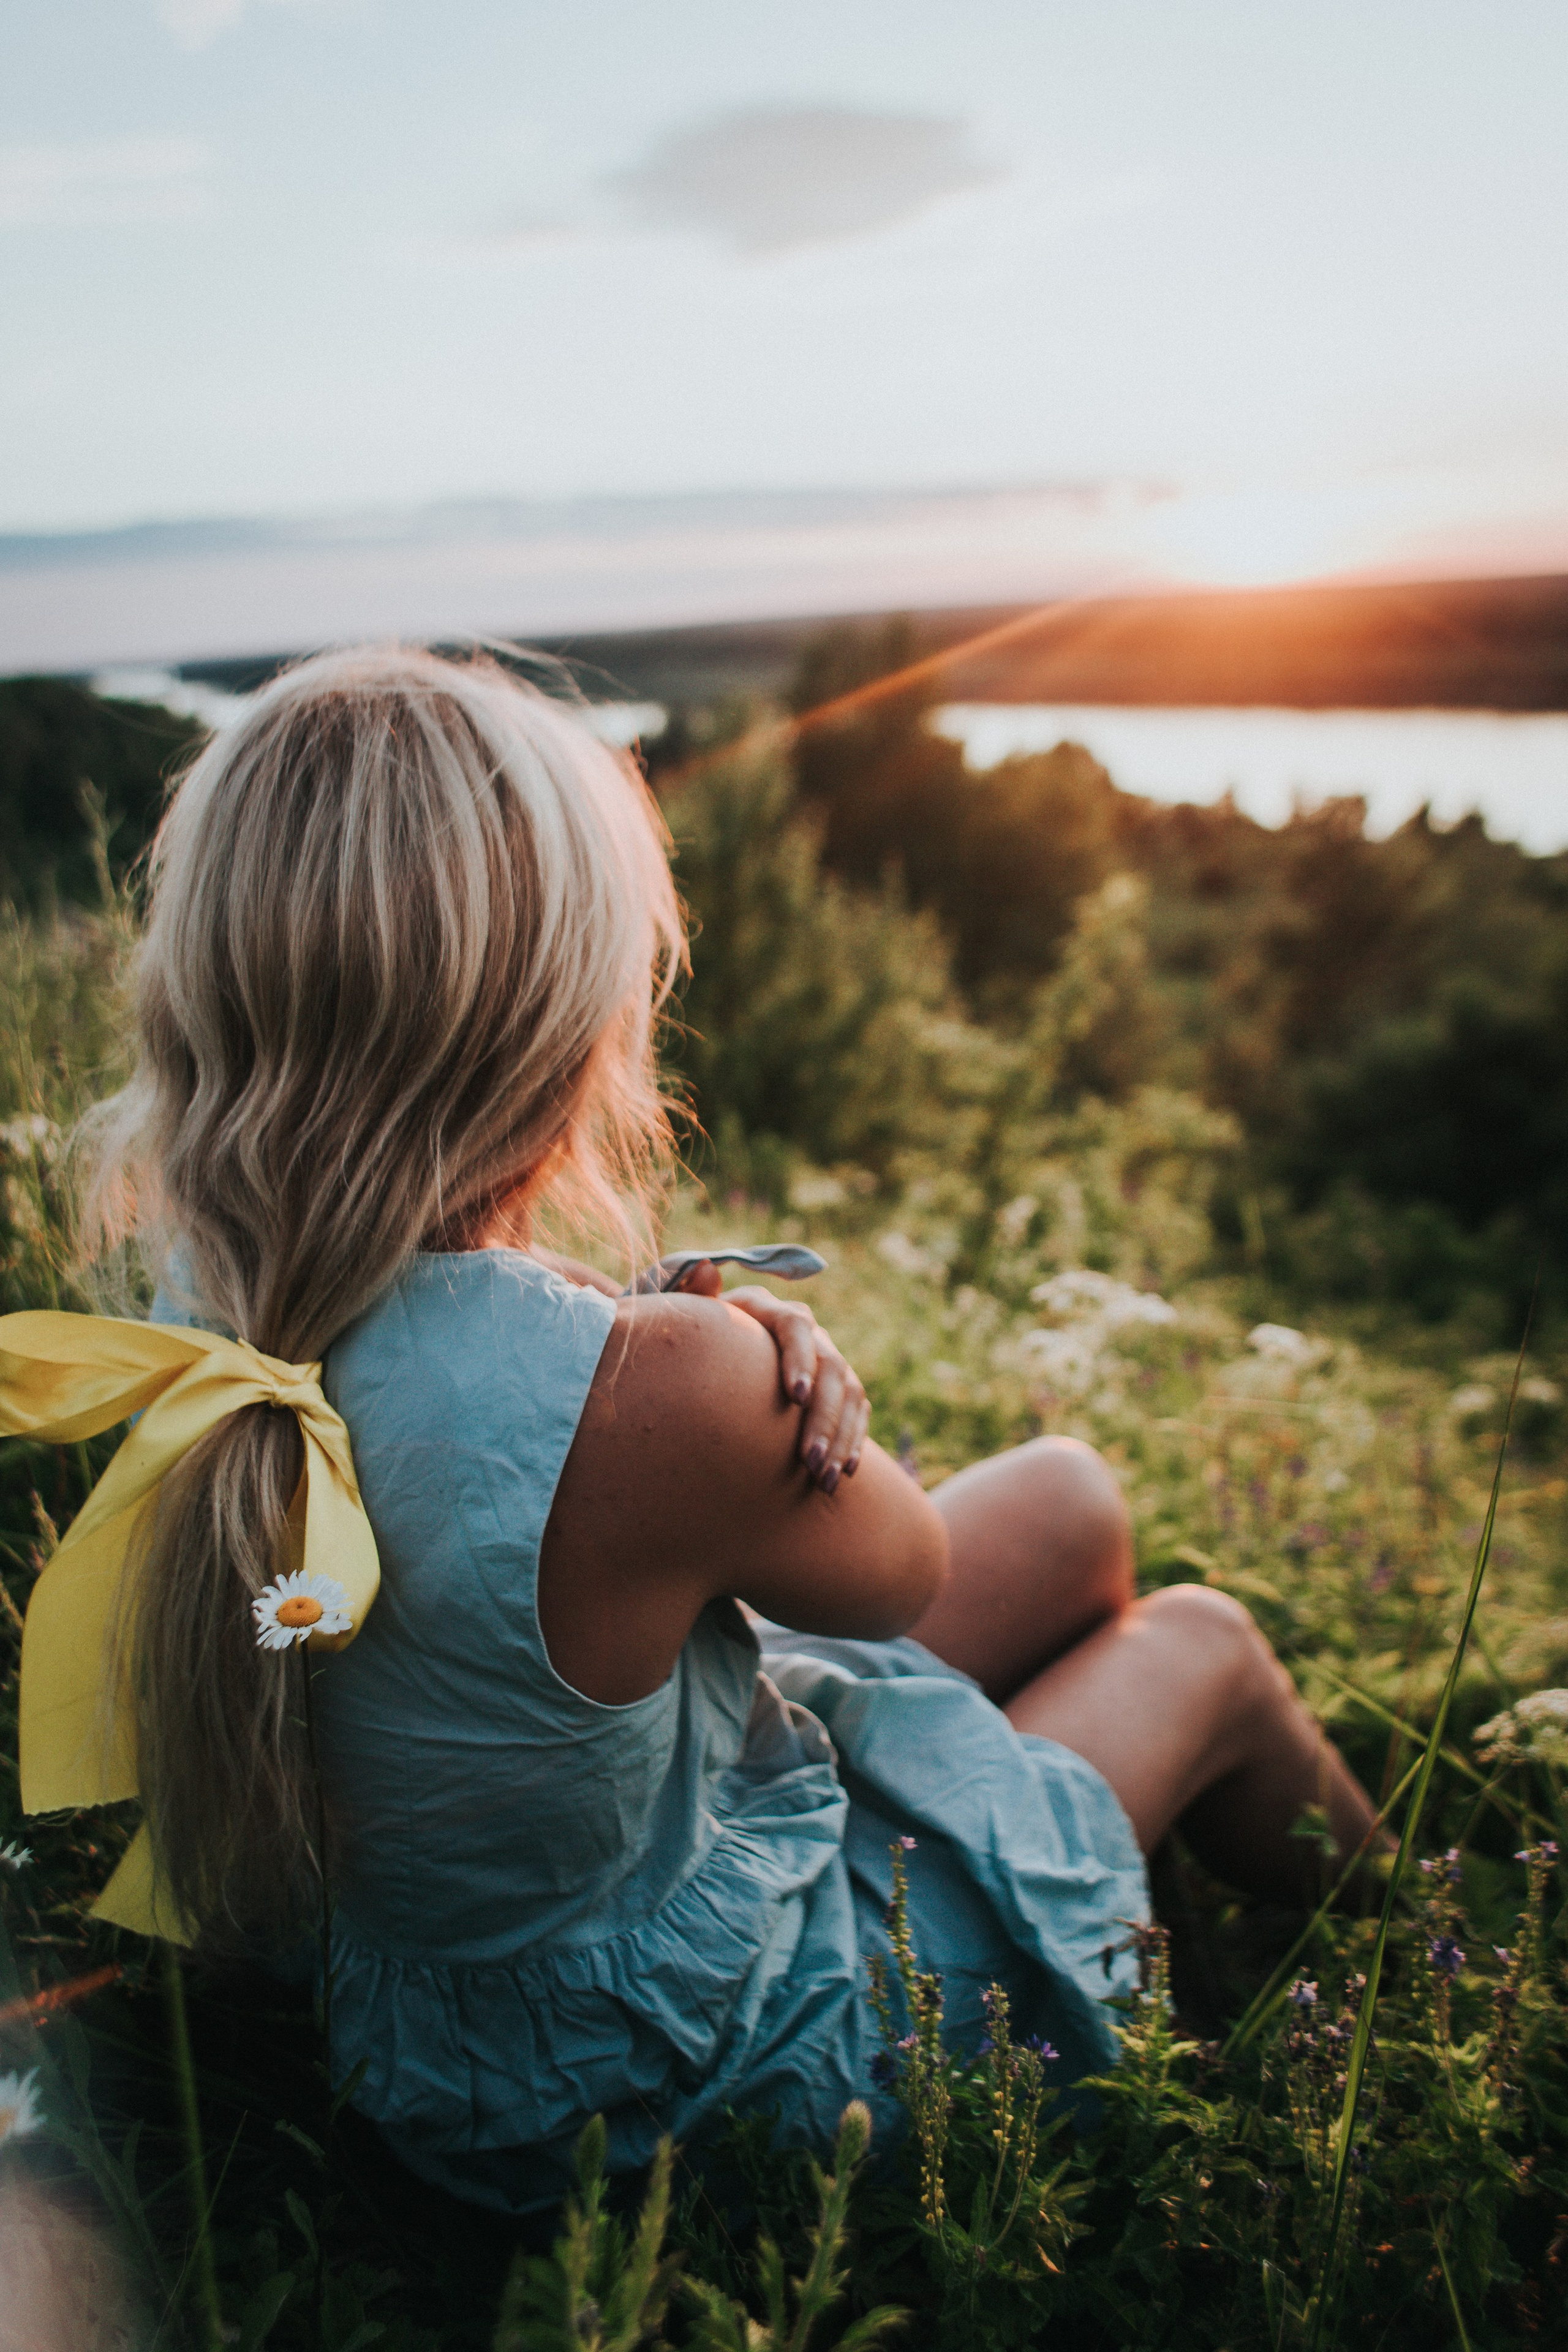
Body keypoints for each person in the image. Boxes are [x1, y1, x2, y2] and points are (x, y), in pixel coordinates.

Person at [17, 646, 1375, 2215]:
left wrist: (664, 1334)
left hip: (441, 2015)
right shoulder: (662, 1391)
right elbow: (897, 1569)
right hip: (671, 2080)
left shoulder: (204, 1305)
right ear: (562, 1022)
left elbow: (489, 1429)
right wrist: (744, 1357)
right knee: (1196, 1640)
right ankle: (1418, 1961)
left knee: (1070, 1504)